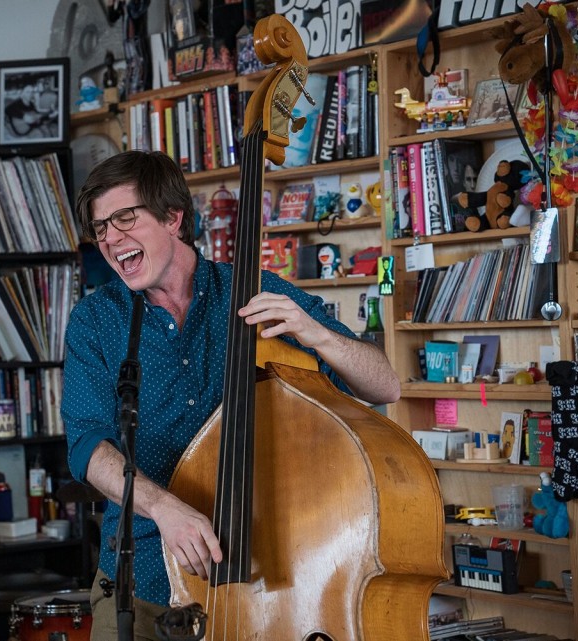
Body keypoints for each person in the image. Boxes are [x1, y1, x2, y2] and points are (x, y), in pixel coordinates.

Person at [62, 151, 402, 641]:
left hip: (272, 576)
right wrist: (164, 508)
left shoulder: (255, 291)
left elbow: (384, 386)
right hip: (143, 580)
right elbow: (86, 446)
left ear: (173, 218)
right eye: (100, 228)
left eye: (125, 218)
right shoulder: (96, 320)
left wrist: (319, 335)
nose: (111, 239)